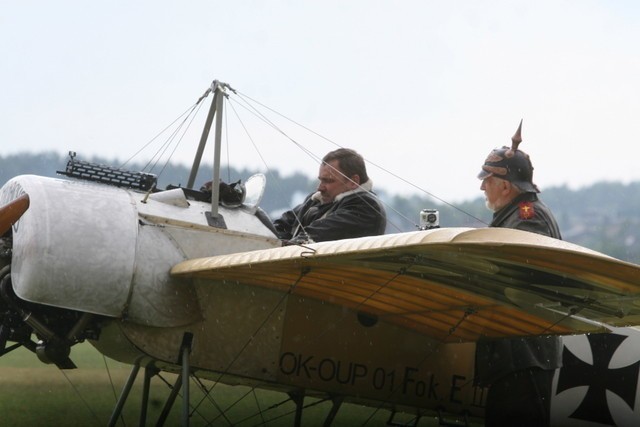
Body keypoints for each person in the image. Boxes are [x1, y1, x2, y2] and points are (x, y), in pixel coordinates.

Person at [475, 120, 562, 426]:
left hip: (524, 350)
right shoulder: (516, 213)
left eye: (487, 180)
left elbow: (522, 274)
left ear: (505, 186)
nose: (482, 185)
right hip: (516, 351)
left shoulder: (528, 216)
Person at [273, 148, 386, 244]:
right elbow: (281, 226)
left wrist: (282, 245)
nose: (320, 188)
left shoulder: (366, 207)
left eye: (328, 181)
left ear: (353, 182)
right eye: (321, 180)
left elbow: (315, 236)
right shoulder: (315, 201)